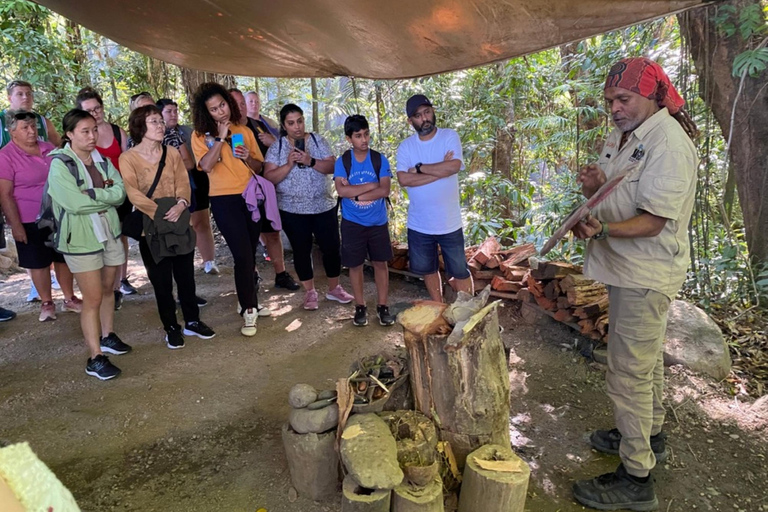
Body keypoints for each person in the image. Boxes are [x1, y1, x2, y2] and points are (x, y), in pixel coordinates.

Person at [569, 57, 698, 511]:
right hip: (627, 270)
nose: (615, 108)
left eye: (623, 99)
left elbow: (654, 221)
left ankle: (636, 477)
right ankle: (650, 434)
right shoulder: (627, 135)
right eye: (610, 101)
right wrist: (595, 188)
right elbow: (623, 196)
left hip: (646, 273)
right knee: (646, 367)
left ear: (653, 96)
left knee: (628, 373)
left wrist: (600, 230)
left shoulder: (669, 144)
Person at [120, 105, 215, 349]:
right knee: (161, 281)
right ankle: (171, 327)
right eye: (154, 122)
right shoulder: (127, 158)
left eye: (161, 122)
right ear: (141, 126)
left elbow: (183, 182)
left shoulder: (171, 153)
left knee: (186, 277)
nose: (161, 126)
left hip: (178, 220)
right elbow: (132, 193)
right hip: (149, 226)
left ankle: (192, 321)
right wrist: (161, 213)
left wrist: (182, 204)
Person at [47, 109, 131, 380]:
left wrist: (94, 193)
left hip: (108, 232)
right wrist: (104, 197)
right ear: (69, 134)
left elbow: (120, 194)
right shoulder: (60, 164)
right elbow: (74, 203)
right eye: (85, 131)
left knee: (108, 290)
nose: (92, 136)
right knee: (92, 298)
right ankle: (95, 357)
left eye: (94, 130)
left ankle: (108, 336)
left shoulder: (103, 161)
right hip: (80, 239)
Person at [190, 82, 269, 336]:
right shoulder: (199, 136)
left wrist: (247, 156)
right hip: (224, 200)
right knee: (242, 255)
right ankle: (249, 310)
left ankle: (249, 302)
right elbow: (206, 165)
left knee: (250, 253)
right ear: (206, 113)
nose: (220, 112)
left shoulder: (244, 130)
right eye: (213, 109)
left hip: (249, 197)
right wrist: (220, 138)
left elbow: (258, 167)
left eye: (222, 105)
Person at [263, 104, 353, 310]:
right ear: (284, 126)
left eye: (300, 121)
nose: (297, 127)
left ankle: (334, 288)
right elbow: (269, 178)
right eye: (291, 123)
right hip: (292, 209)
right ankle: (310, 292)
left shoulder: (317, 140)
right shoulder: (277, 147)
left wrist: (309, 160)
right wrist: (288, 164)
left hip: (323, 206)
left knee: (331, 248)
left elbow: (333, 167)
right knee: (301, 251)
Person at [0, 110, 81, 321]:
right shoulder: (6, 156)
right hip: (28, 217)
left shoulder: (49, 148)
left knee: (61, 257)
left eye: (33, 126)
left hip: (57, 213)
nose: (31, 131)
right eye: (25, 128)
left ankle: (70, 298)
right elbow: (5, 195)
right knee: (38, 262)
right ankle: (47, 303)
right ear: (12, 132)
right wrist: (15, 225)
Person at [395, 94, 472, 302]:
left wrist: (419, 169)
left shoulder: (449, 136)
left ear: (433, 111)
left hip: (450, 222)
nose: (425, 118)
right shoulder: (406, 147)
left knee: (460, 271)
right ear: (411, 121)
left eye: (427, 112)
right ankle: (438, 307)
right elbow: (403, 179)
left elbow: (454, 166)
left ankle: (468, 311)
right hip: (420, 224)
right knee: (428, 270)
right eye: (418, 116)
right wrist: (440, 171)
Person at [229, 88, 299, 291]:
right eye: (236, 104)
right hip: (237, 191)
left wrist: (273, 142)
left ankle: (281, 273)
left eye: (243, 103)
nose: (241, 108)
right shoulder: (222, 132)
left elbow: (279, 151)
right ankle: (252, 275)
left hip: (263, 186)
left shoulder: (259, 126)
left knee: (272, 232)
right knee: (246, 237)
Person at [75, 87, 138, 306]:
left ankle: (121, 280)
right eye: (89, 110)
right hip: (95, 197)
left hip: (119, 192)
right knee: (102, 236)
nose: (95, 113)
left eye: (97, 108)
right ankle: (105, 286)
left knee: (120, 235)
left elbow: (128, 159)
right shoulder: (80, 138)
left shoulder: (116, 130)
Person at [1, 80, 62, 303]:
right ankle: (39, 291)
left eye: (28, 93)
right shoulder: (1, 124)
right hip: (14, 192)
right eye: (19, 94)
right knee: (32, 251)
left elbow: (60, 148)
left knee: (56, 250)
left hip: (52, 204)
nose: (25, 97)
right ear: (10, 97)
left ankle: (63, 292)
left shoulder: (43, 123)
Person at [333, 115, 395, 327]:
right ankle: (360, 306)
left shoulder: (379, 159)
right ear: (349, 138)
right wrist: (371, 185)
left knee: (381, 263)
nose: (364, 139)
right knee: (355, 265)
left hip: (377, 222)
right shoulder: (343, 161)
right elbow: (341, 190)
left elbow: (385, 189)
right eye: (358, 136)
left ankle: (383, 306)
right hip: (352, 223)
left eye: (366, 134)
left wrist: (356, 194)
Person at [157, 98, 215, 302]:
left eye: (175, 110)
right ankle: (175, 293)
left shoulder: (187, 131)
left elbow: (191, 161)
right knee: (178, 235)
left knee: (198, 226)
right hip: (168, 192)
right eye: (168, 111)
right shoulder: (154, 136)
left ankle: (204, 267)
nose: (173, 114)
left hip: (194, 185)